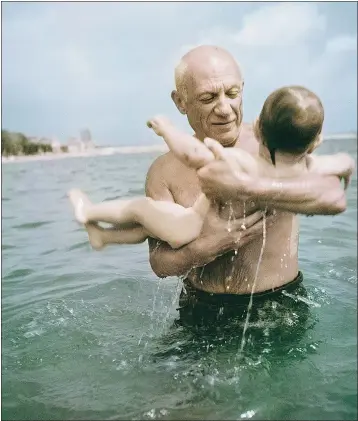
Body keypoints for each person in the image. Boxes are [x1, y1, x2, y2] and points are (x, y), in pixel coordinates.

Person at [144, 45, 351, 326]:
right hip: (201, 307)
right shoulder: (163, 171)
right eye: (207, 97)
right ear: (180, 101)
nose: (224, 109)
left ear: (242, 88)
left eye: (232, 94)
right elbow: (159, 263)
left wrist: (250, 187)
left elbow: (331, 197)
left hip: (280, 303)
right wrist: (209, 246)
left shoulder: (273, 142)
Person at [68, 88, 353, 255]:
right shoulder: (308, 170)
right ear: (317, 141)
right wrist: (346, 162)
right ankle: (104, 237)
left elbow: (193, 154)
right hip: (191, 231)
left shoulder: (244, 164)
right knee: (146, 225)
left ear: (258, 128)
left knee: (141, 208)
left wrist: (166, 129)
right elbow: (336, 166)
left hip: (190, 226)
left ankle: (90, 213)